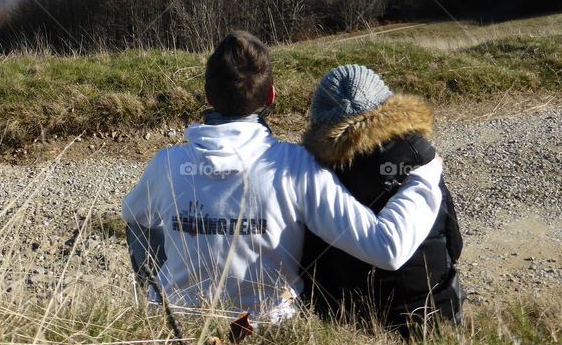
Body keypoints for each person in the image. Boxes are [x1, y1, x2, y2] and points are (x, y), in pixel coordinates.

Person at [121, 31, 445, 323]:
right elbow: (387, 248)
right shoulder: (295, 165)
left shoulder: (166, 164)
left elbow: (135, 219)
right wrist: (424, 177)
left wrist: (157, 290)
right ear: (271, 96)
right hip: (269, 336)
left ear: (207, 95)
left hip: (174, 331)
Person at [298, 64, 464, 335]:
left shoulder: (312, 171)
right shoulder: (421, 158)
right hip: (432, 318)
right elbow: (454, 245)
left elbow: (311, 259)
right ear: (386, 104)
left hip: (350, 325)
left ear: (320, 120)